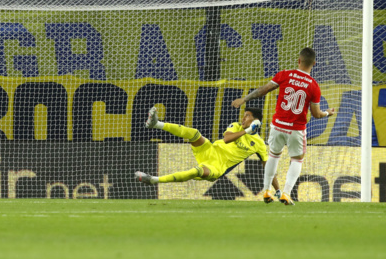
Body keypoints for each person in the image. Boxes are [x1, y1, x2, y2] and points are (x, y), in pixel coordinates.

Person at [232, 47, 334, 205]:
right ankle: (286, 193)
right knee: (297, 160)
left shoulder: (285, 74)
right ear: (314, 63)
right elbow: (316, 114)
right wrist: (327, 113)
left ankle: (266, 191)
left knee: (273, 155)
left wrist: (244, 99)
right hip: (296, 129)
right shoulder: (314, 86)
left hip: (278, 125)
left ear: (299, 60)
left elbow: (263, 90)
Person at [135, 106, 280, 196]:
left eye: (247, 116)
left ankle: (154, 180)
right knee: (193, 133)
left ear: (256, 121)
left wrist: (278, 190)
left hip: (217, 167)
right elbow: (227, 139)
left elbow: (268, 168)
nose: (243, 118)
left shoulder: (260, 144)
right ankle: (157, 124)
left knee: (195, 172)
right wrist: (247, 130)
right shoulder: (236, 126)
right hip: (210, 150)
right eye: (244, 114)